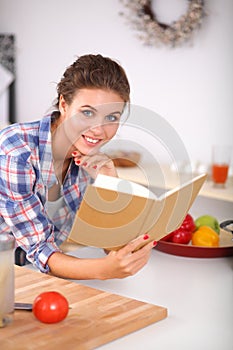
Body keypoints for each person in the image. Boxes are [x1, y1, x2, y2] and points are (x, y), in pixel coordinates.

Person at [0, 54, 156, 280]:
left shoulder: (87, 158)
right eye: (88, 113)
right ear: (64, 104)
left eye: (111, 116)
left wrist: (109, 182)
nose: (98, 130)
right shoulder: (15, 150)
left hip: (34, 275)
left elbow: (110, 245)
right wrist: (104, 270)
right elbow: (41, 249)